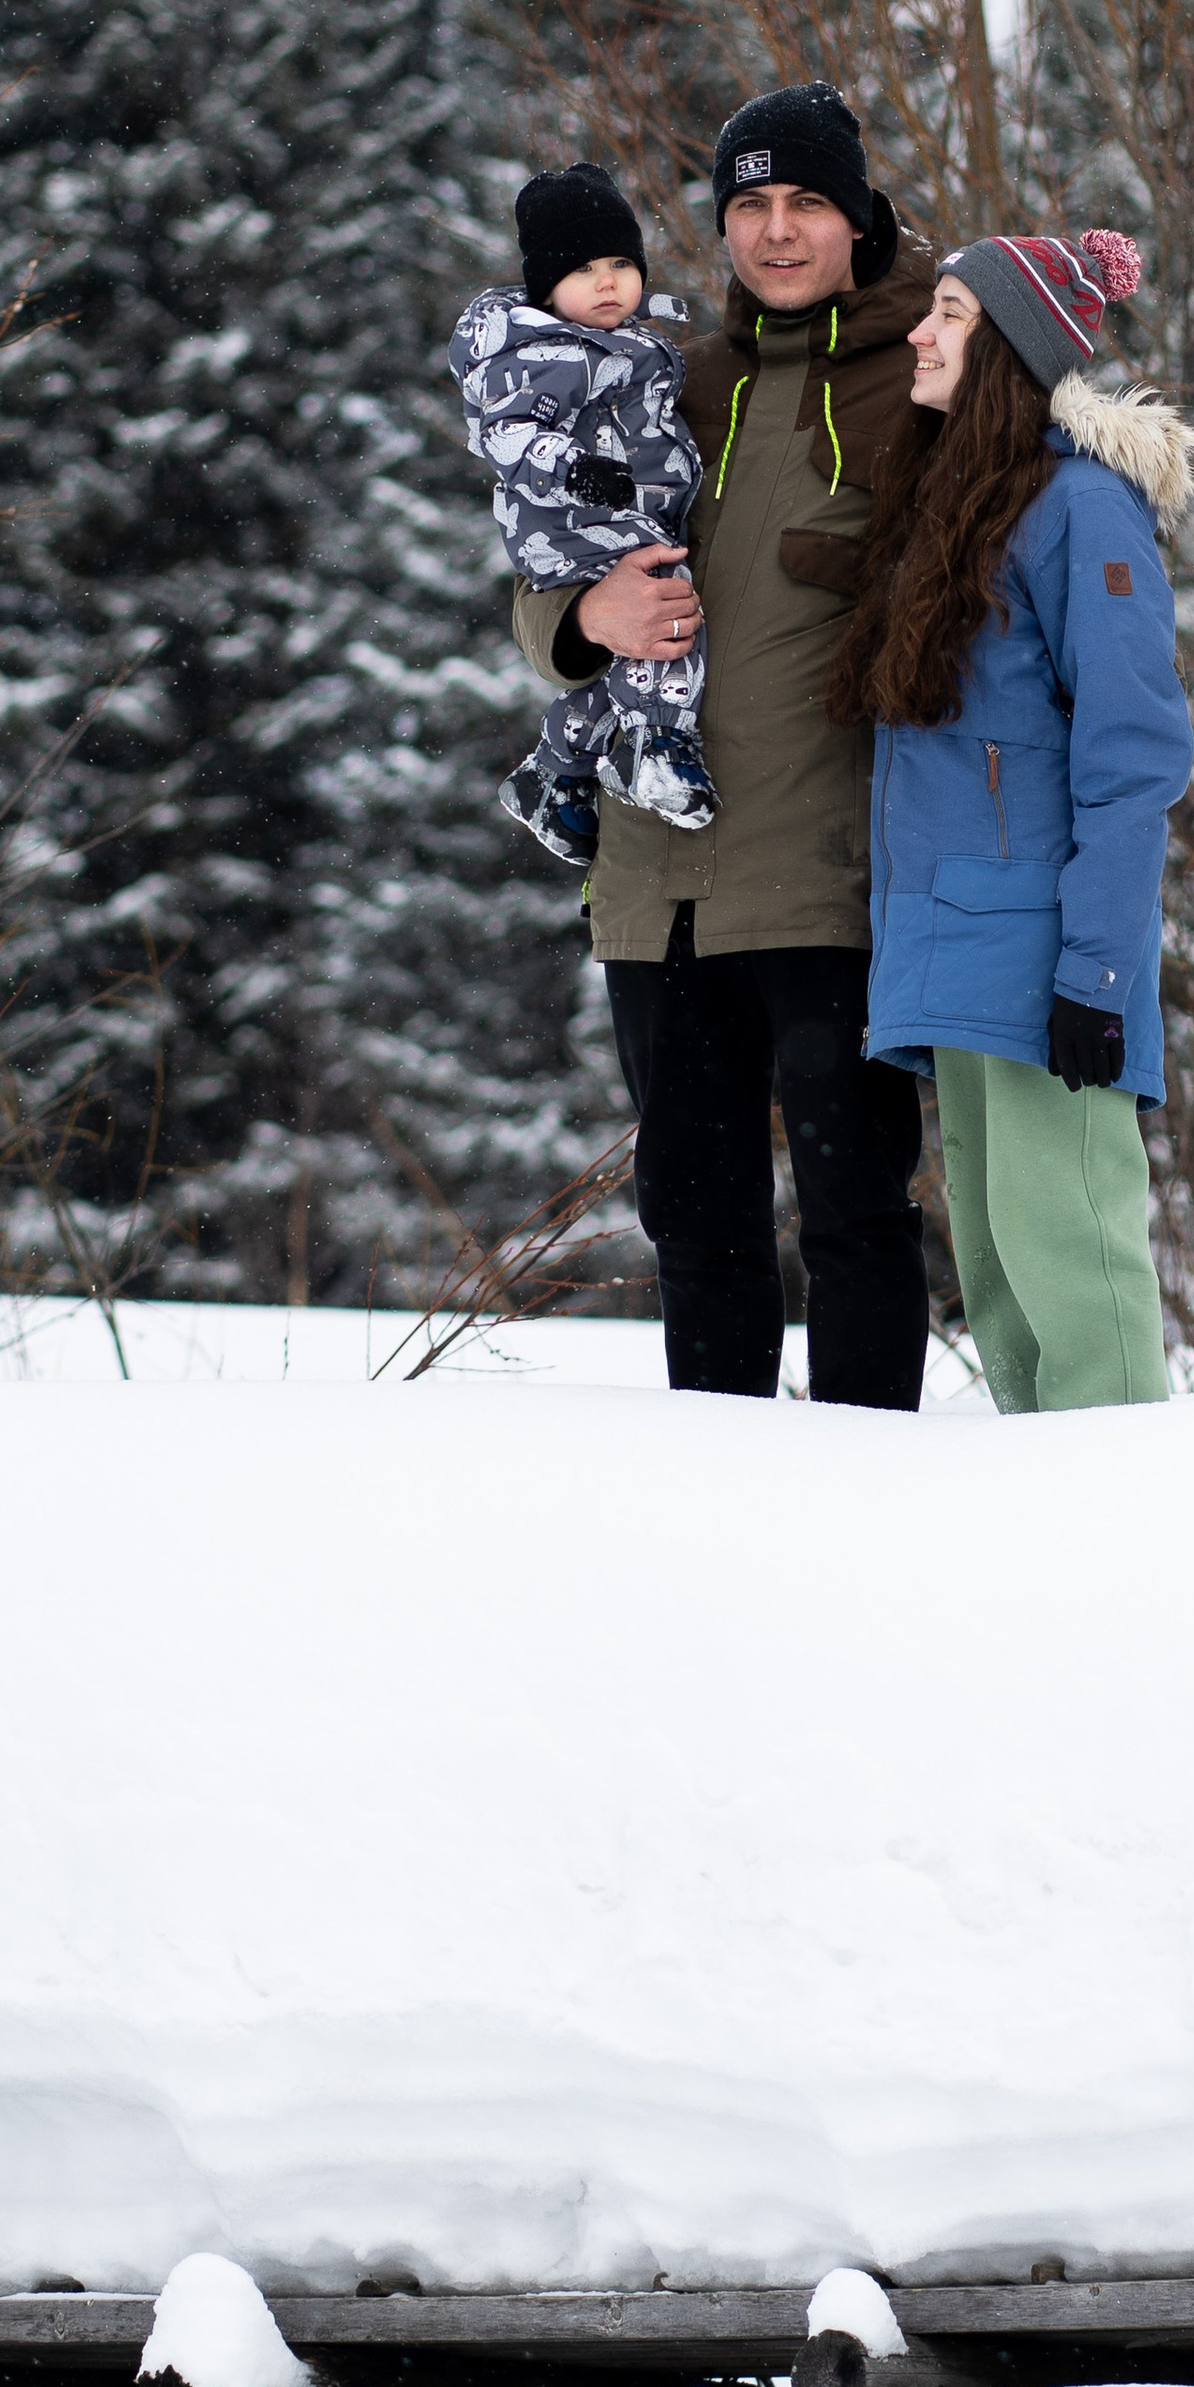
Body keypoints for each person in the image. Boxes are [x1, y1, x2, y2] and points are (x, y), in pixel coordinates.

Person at [511, 84, 935, 1410]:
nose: (778, 230)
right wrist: (587, 613)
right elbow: (541, 562)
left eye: (807, 200)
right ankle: (714, 1524)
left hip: (832, 885)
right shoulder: (662, 376)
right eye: (750, 204)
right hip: (657, 886)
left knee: (858, 1219)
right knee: (695, 1229)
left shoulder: (926, 372)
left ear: (858, 217)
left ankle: (866, 1514)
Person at [829, 228, 1194, 1413]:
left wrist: (1094, 970)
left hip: (1050, 963)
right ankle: (1045, 1549)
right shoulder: (958, 507)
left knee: (1077, 1271)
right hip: (961, 952)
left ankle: (1135, 1532)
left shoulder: (1084, 509)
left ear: (1009, 348)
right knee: (1001, 1284)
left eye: (948, 314)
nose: (921, 333)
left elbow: (1133, 757)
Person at [450, 161, 719, 863]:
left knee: (621, 661)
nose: (607, 282)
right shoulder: (542, 354)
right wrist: (572, 469)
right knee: (667, 610)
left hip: (613, 512)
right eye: (584, 269)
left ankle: (555, 773)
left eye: (621, 263)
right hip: (568, 520)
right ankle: (657, 746)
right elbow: (505, 434)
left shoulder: (631, 342)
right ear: (546, 285)